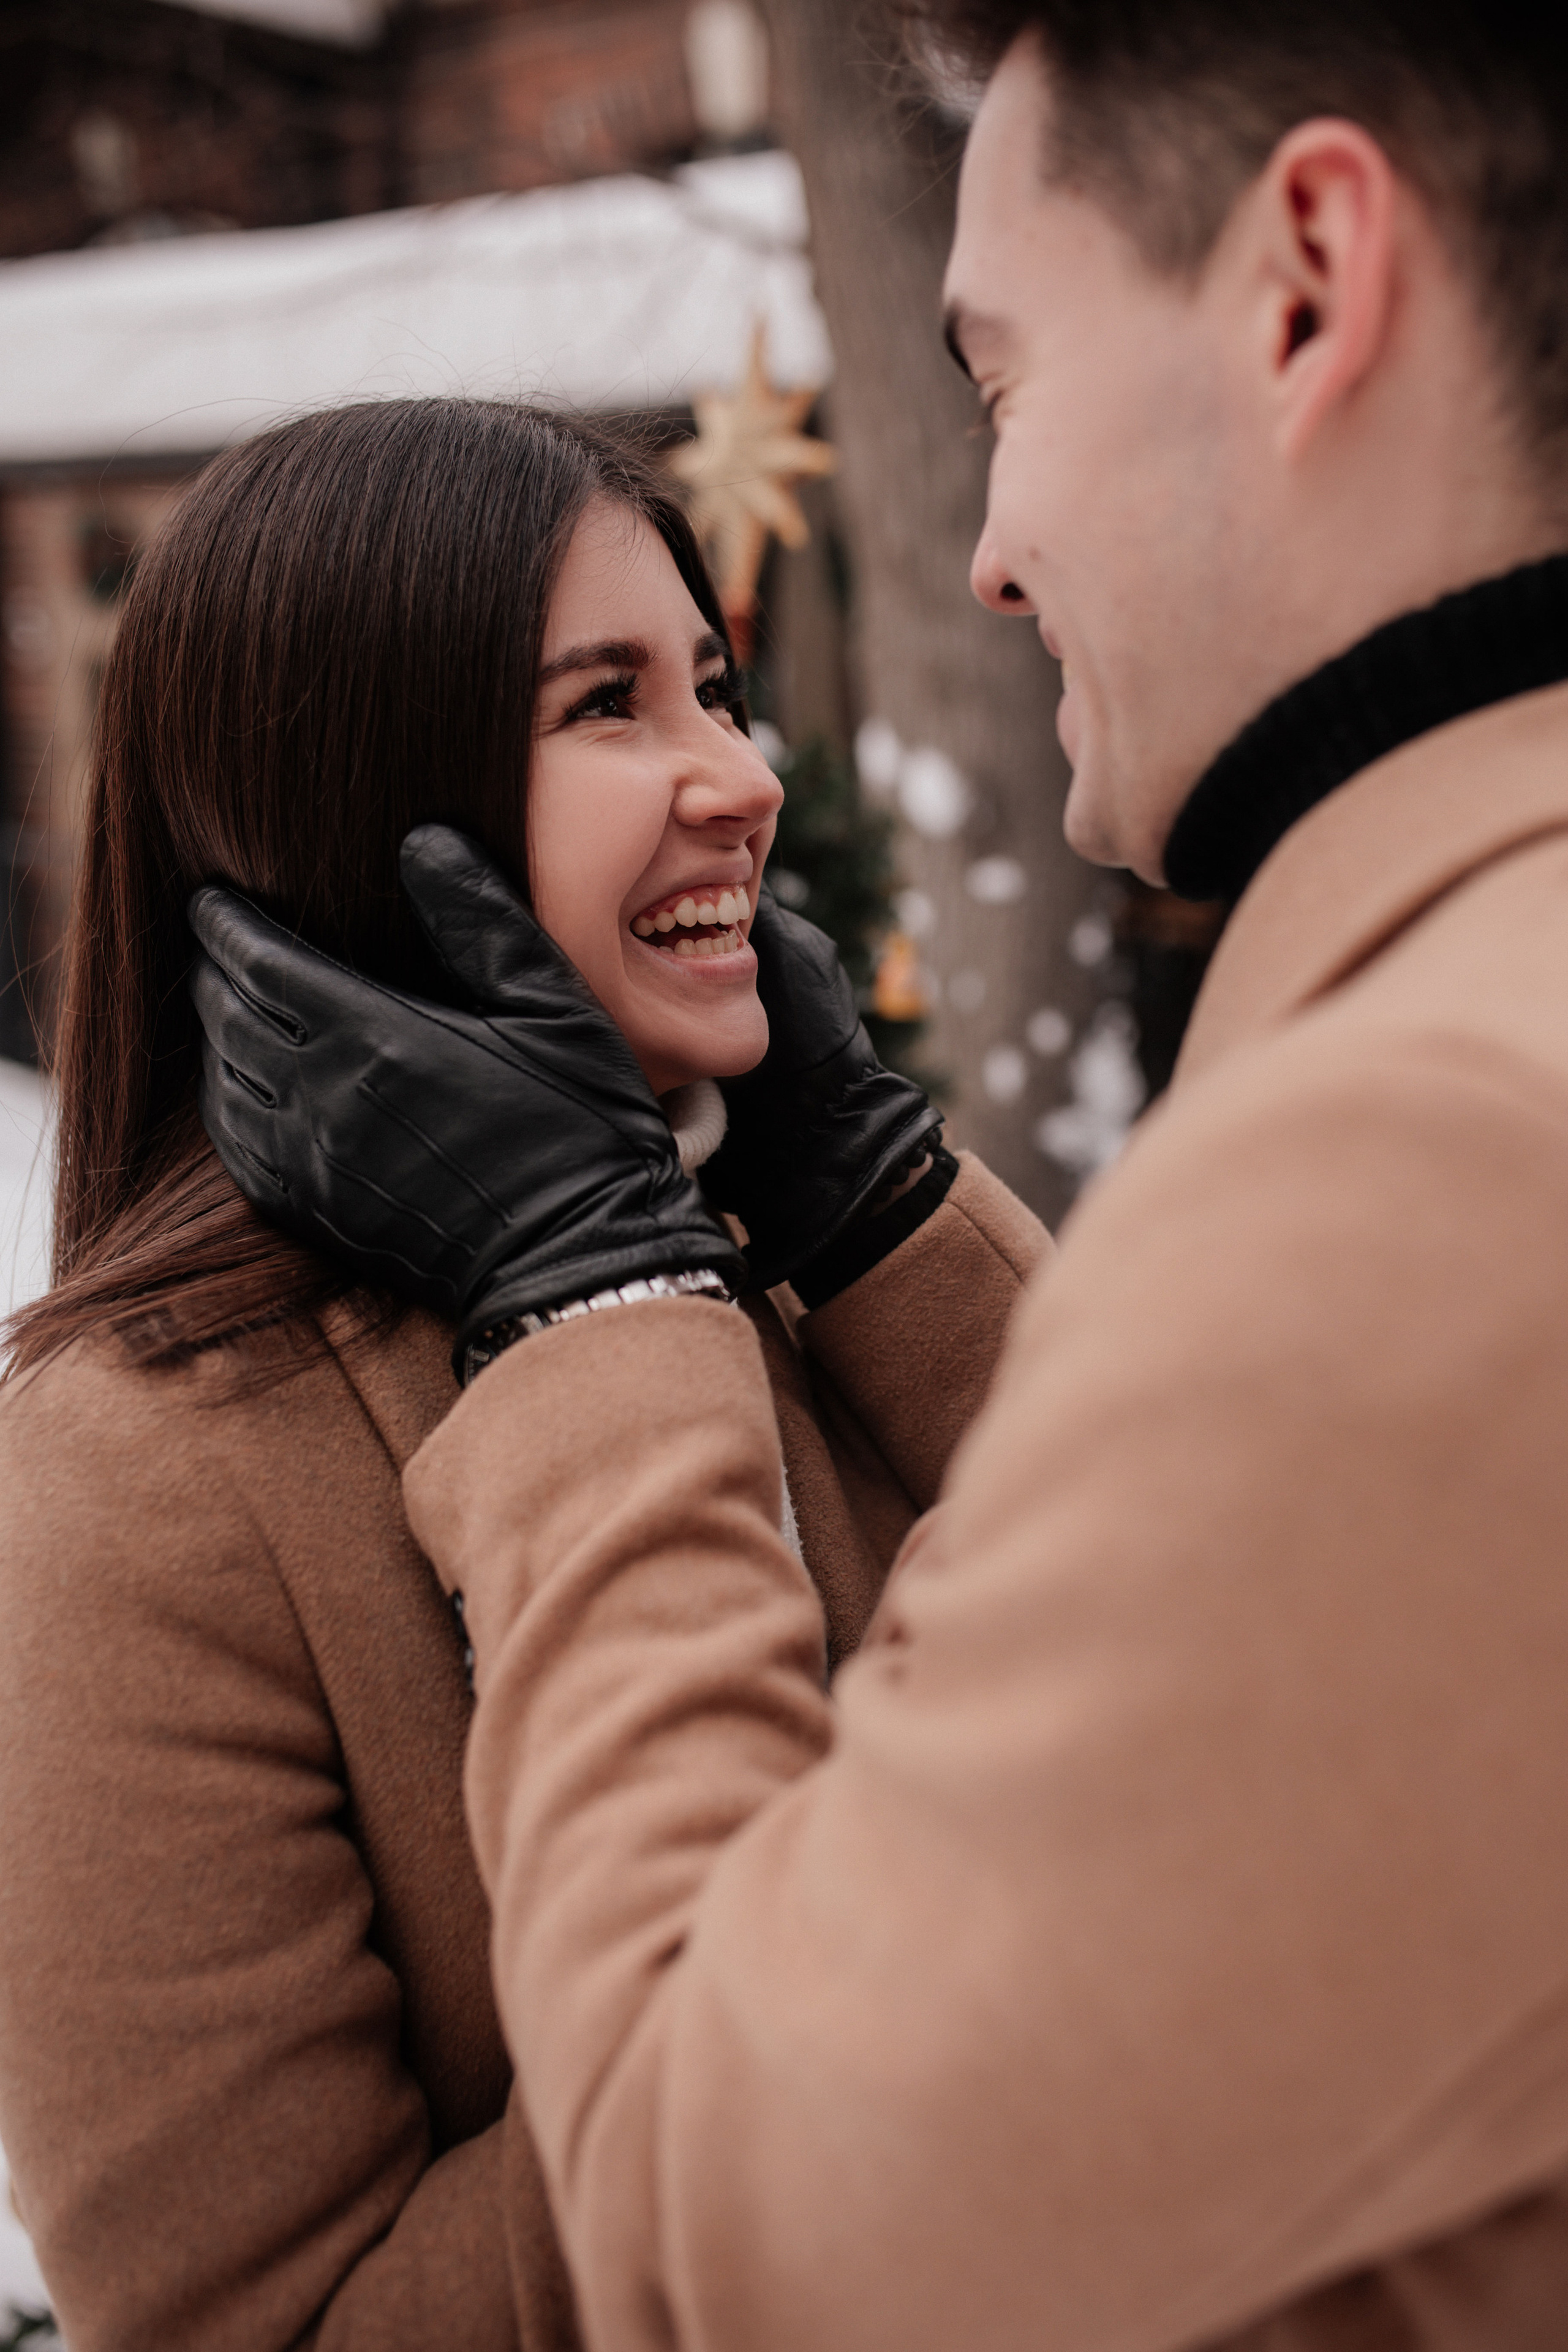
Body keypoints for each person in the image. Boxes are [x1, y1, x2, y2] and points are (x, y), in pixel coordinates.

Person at [190, 0, 1568, 2345]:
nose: (994, 552)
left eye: (1002, 380)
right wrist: (875, 1225)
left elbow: (755, 2243)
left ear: (1308, 288)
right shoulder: (149, 1458)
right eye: (610, 703)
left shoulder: (1415, 1176)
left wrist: (594, 1302)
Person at [0, 396, 1044, 2351]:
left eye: (717, 688)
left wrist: (886, 1207)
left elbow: (1221, 1652)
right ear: (358, 799)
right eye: (606, 707)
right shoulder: (131, 1468)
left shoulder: (788, 1257)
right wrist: (939, 1968)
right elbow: (264, 2319)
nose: (742, 776)